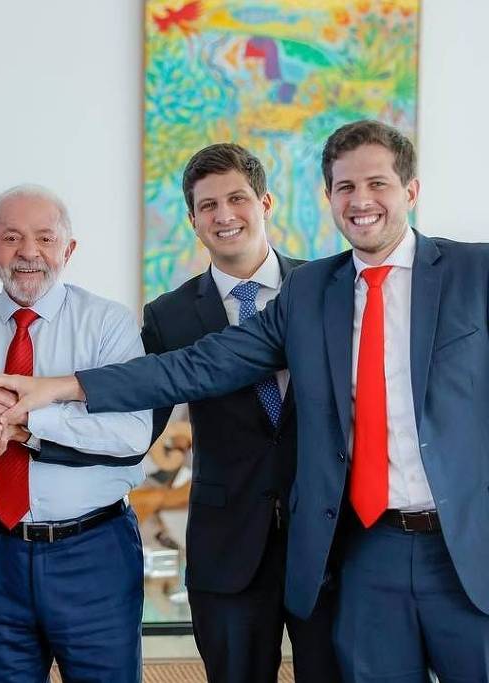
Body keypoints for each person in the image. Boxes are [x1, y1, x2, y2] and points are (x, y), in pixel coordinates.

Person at [0, 120, 489, 681]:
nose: (360, 201)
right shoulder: (315, 291)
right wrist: (61, 389)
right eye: (345, 188)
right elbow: (194, 367)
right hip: (358, 550)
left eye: (377, 184)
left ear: (410, 191)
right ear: (328, 198)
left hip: (447, 544)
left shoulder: (474, 271)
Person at [0, 185, 153, 683]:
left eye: (45, 238)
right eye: (11, 238)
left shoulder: (109, 326)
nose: (28, 253)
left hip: (94, 550)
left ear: (68, 250)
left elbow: (132, 433)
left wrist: (26, 425)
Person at [141, 144, 339, 682]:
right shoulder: (170, 316)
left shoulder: (328, 289)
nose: (224, 215)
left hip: (327, 543)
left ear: (266, 202)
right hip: (226, 547)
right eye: (208, 206)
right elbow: (139, 427)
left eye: (237, 198)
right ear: (193, 220)